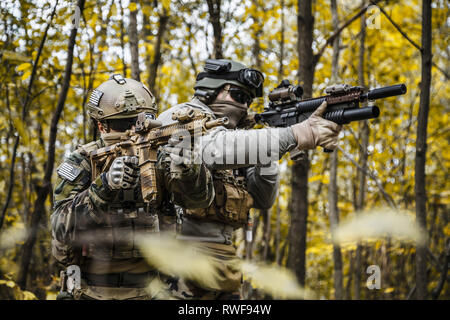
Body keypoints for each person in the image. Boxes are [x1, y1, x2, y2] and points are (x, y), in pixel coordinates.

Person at [156, 59, 341, 299]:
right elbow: (213, 149)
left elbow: (262, 198)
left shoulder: (237, 138)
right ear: (212, 89)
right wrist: (294, 134)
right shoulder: (181, 118)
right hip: (176, 268)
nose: (244, 106)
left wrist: (268, 153)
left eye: (248, 100)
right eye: (238, 95)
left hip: (223, 271)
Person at [51, 74, 214, 300]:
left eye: (141, 121)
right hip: (90, 291)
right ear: (102, 125)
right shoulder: (83, 161)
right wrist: (104, 186)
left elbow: (199, 202)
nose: (133, 131)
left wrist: (189, 168)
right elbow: (59, 227)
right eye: (123, 124)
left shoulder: (162, 156)